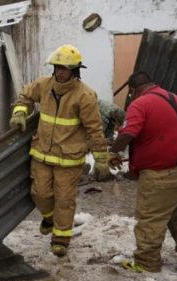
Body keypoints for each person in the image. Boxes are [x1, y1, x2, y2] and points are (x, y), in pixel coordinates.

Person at [9, 44, 110, 257]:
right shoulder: (43, 86)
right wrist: (20, 112)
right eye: (57, 67)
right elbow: (25, 96)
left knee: (64, 199)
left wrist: (101, 158)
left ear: (75, 70)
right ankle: (49, 218)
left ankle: (61, 240)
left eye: (64, 68)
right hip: (41, 153)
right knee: (40, 193)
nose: (60, 72)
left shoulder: (85, 95)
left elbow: (94, 128)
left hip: (69, 159)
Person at [109, 71, 177, 273]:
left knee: (151, 216)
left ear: (132, 91)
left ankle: (146, 263)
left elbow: (128, 132)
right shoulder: (172, 97)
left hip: (163, 171)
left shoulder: (140, 103)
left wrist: (112, 151)